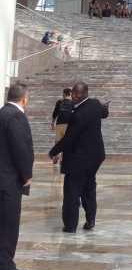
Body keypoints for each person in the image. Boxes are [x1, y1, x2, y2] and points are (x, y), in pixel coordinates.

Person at [49, 82, 108, 232]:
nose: (74, 96)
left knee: (72, 192)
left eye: (78, 94)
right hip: (95, 156)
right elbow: (104, 113)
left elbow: (69, 138)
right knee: (89, 187)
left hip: (78, 159)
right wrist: (106, 107)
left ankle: (70, 225)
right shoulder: (95, 104)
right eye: (73, 93)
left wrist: (53, 151)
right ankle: (90, 219)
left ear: (86, 93)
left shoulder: (79, 115)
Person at [0, 83, 33, 270]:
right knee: (9, 223)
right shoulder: (15, 116)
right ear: (25, 98)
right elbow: (21, 148)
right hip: (9, 179)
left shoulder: (2, 113)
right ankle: (5, 264)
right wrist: (26, 173)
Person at [50, 87, 74, 165]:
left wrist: (52, 123)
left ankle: (57, 154)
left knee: (57, 141)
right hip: (68, 125)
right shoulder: (72, 103)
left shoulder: (59, 102)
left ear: (63, 94)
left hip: (59, 124)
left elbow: (55, 113)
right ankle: (63, 159)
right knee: (66, 142)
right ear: (70, 95)